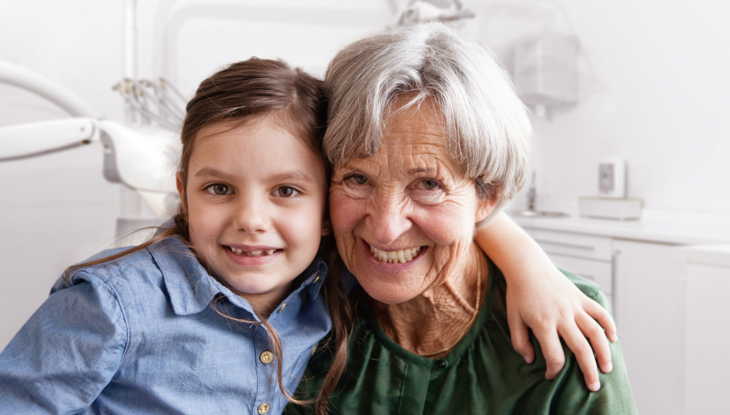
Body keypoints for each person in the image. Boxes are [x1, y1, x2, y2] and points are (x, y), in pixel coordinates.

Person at [0, 57, 615, 415]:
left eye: (287, 191)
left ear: (322, 208)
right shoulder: (113, 305)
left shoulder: (322, 277)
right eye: (219, 189)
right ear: (183, 191)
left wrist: (529, 265)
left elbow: (434, 219)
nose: (251, 219)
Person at [286, 23, 637, 414]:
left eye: (428, 184)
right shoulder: (299, 302)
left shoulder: (564, 326)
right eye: (357, 178)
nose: (386, 228)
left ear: (488, 195)